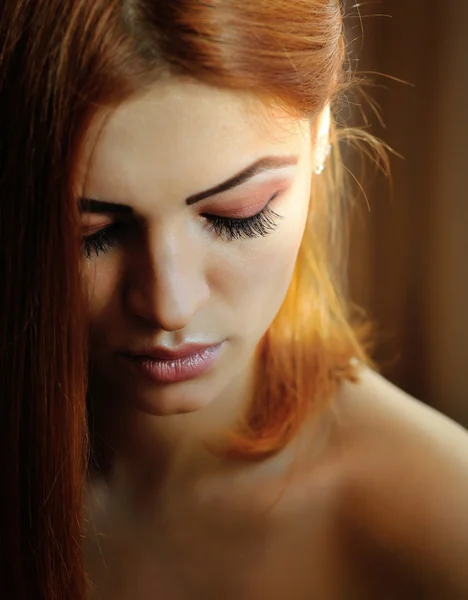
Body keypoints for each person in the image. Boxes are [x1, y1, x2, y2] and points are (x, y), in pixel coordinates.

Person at [1, 0, 467, 599]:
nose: (169, 305)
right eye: (91, 234)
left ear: (322, 129)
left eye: (235, 217)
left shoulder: (440, 529)